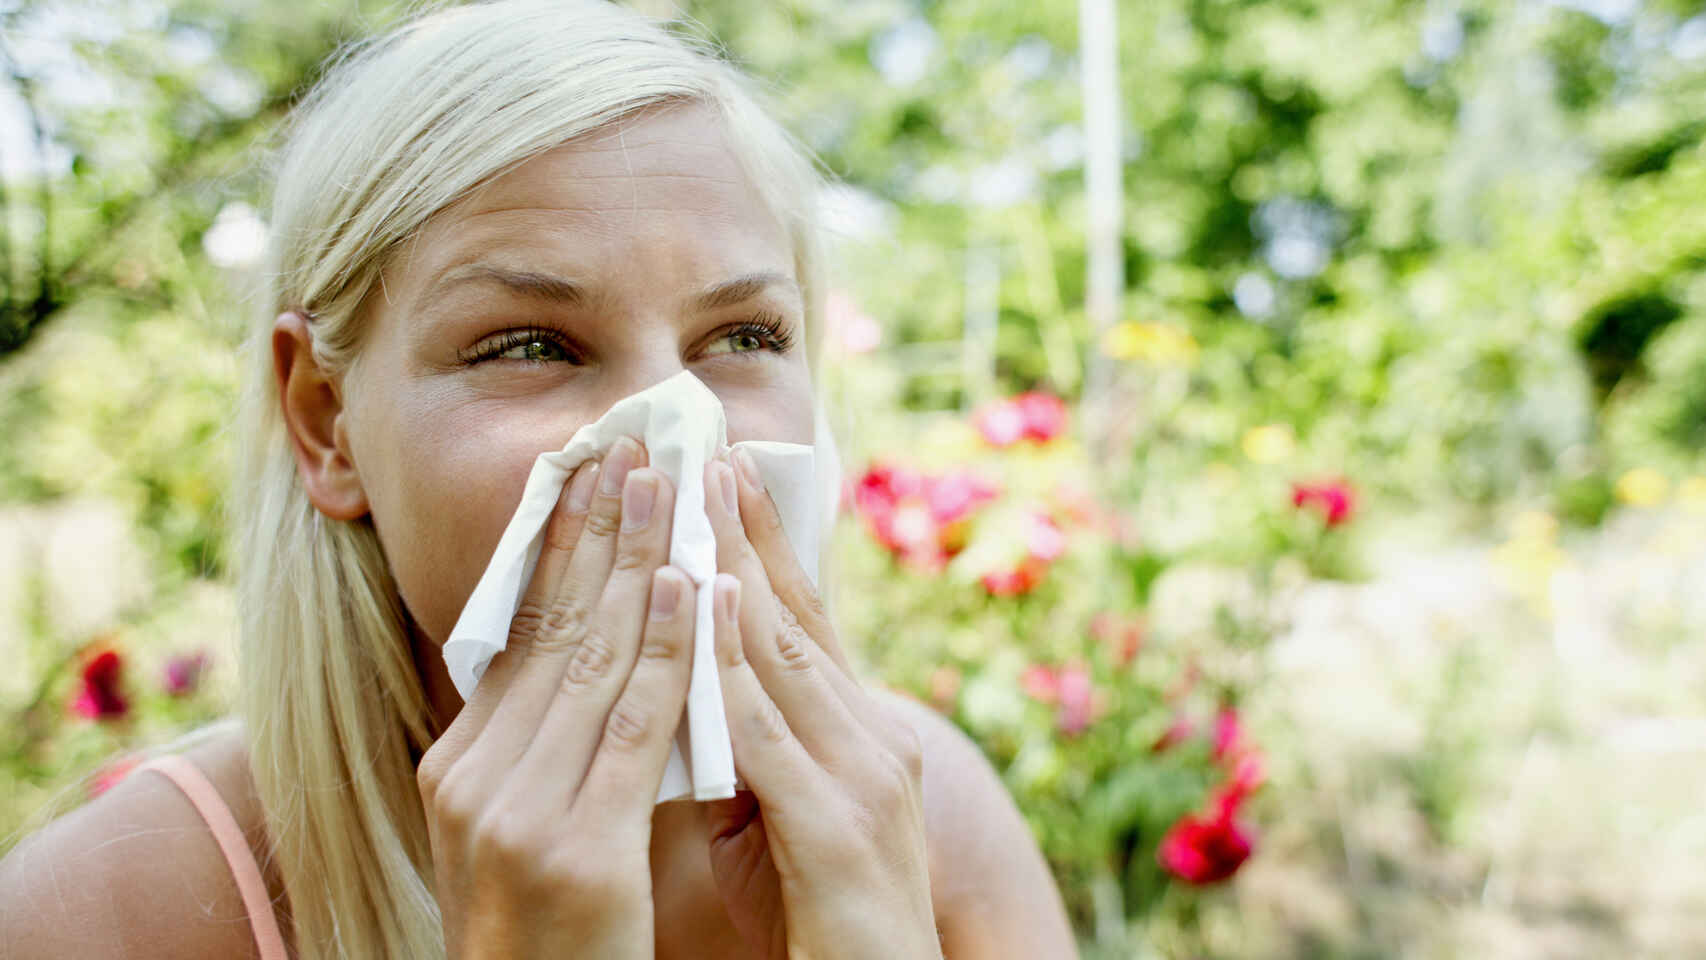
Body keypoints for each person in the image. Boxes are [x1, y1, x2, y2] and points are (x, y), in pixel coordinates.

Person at [0, 1, 1077, 957]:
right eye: (528, 346)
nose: (670, 435)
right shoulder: (107, 914)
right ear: (326, 423)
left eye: (741, 334)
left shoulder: (934, 826)